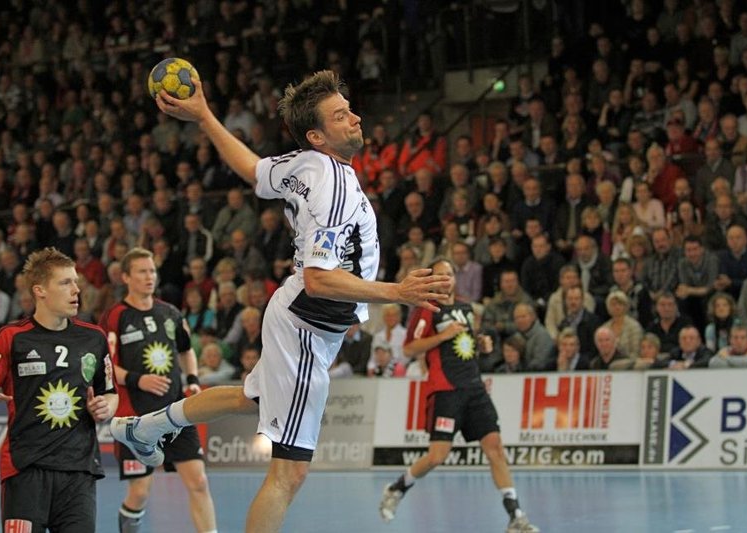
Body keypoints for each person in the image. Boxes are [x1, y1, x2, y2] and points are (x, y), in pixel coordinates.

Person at [109, 70, 450, 533]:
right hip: (308, 326)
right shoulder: (332, 186)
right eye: (340, 115)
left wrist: (204, 115)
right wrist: (397, 292)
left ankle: (145, 428)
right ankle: (147, 429)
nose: (355, 117)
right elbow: (319, 279)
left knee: (249, 397)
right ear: (317, 135)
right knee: (290, 473)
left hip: (298, 316)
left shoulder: (306, 164)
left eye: (349, 109)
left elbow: (253, 170)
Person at [0, 247, 117, 533]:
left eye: (76, 282)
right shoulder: (11, 337)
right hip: (25, 471)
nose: (76, 290)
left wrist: (106, 406)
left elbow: (110, 392)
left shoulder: (94, 338)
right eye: (65, 282)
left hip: (78, 473)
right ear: (40, 290)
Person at [379, 258, 538, 532]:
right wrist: (442, 336)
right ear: (432, 280)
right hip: (446, 391)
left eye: (449, 274)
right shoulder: (427, 309)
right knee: (437, 456)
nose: (446, 279)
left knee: (495, 448)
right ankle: (397, 488)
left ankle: (516, 516)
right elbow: (409, 349)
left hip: (474, 388)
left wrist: (481, 344)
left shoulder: (466, 308)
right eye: (440, 275)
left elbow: (465, 343)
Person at [99, 247, 216, 533]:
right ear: (126, 277)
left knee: (199, 482)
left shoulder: (170, 313)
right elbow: (107, 367)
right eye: (142, 271)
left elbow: (186, 351)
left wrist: (192, 379)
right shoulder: (115, 316)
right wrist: (138, 380)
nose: (149, 276)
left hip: (175, 413)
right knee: (140, 492)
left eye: (152, 271)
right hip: (135, 418)